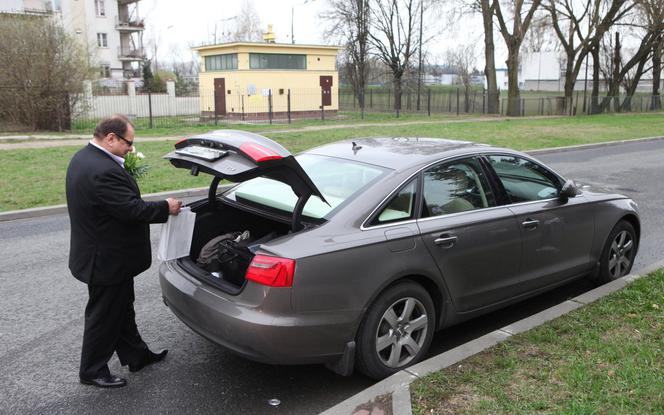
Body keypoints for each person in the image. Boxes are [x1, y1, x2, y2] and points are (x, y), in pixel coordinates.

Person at [66, 115, 182, 388]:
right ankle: (92, 370)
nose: (131, 148)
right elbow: (131, 210)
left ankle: (136, 355)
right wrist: (166, 207)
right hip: (106, 259)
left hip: (106, 255)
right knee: (104, 316)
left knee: (121, 308)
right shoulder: (102, 170)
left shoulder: (84, 158)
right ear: (110, 138)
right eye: (129, 142)